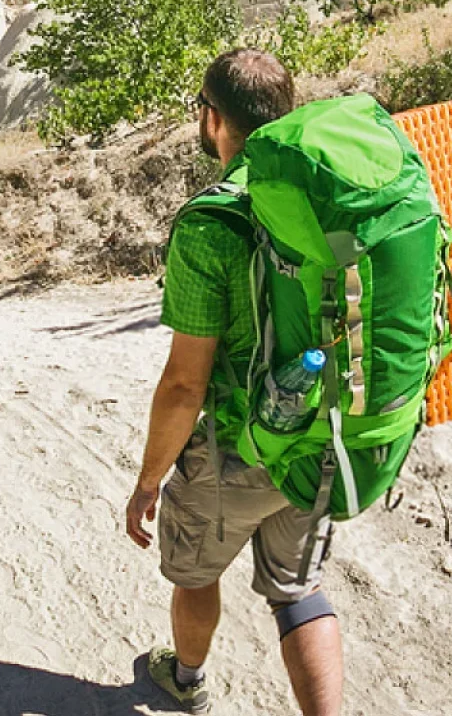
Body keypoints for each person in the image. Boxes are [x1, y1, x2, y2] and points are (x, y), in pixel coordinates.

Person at [124, 49, 342, 716]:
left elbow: (186, 384)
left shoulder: (210, 222)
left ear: (211, 118)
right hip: (317, 433)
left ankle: (185, 681)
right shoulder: (329, 194)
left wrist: (149, 478)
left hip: (234, 451)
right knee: (298, 591)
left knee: (196, 573)